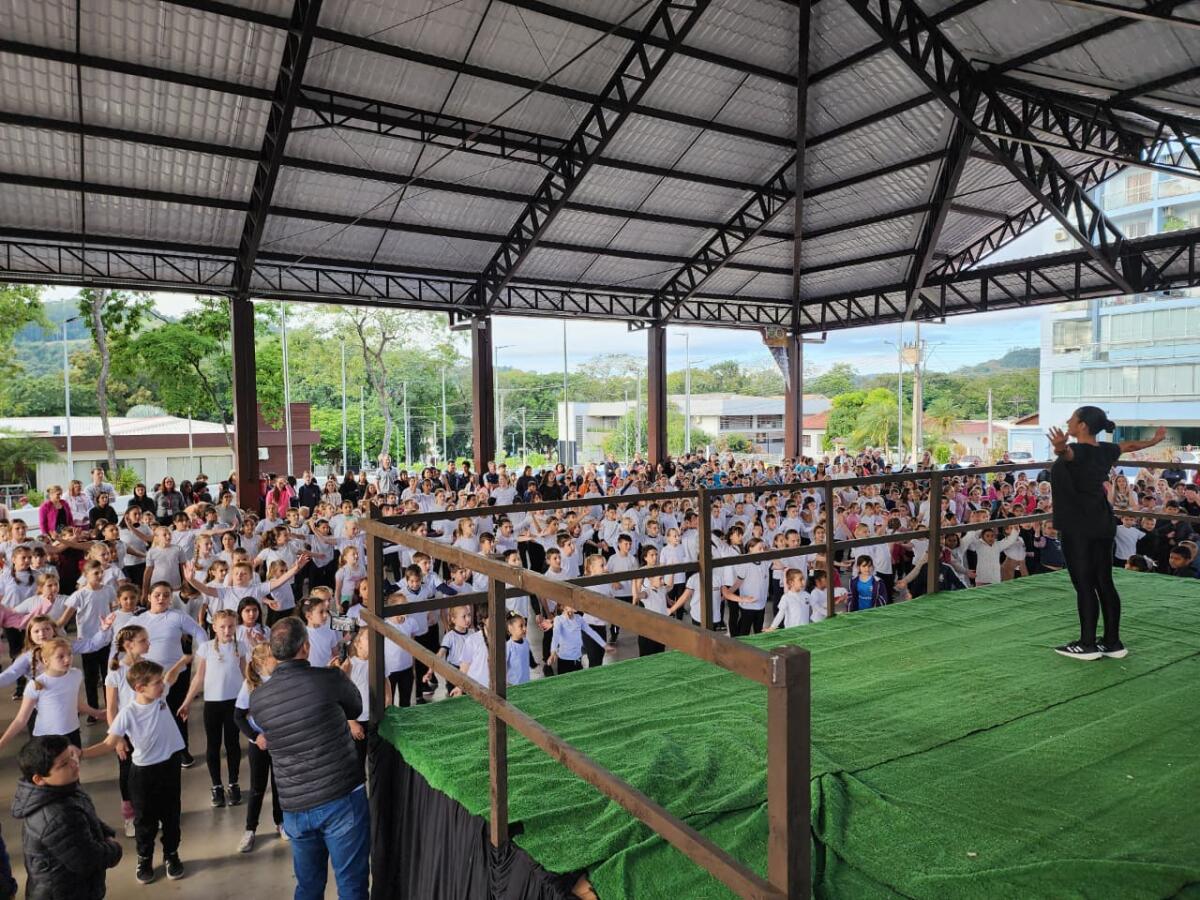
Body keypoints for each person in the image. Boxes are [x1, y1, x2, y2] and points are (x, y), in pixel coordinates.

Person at [249, 617, 368, 900]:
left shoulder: (259, 699)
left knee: (309, 886)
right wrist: (338, 677)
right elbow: (355, 707)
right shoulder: (330, 679)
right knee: (351, 884)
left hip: (295, 805)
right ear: (305, 646)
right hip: (341, 797)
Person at [1047, 408, 1165, 661]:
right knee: (1104, 581)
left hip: (1078, 526)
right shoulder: (1106, 450)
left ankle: (1087, 644)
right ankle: (1112, 642)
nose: (1068, 421)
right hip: (1103, 522)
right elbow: (1130, 444)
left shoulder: (1075, 451)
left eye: (1072, 418)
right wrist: (1154, 441)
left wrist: (1059, 448)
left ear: (1083, 426)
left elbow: (1067, 454)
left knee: (1084, 585)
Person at [83, 658, 190, 884]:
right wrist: (82, 753)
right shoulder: (128, 712)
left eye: (160, 682)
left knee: (171, 814)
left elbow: (170, 678)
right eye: (156, 683)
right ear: (140, 688)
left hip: (169, 765)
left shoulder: (160, 697)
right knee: (145, 819)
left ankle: (171, 853)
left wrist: (181, 662)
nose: (162, 685)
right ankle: (145, 857)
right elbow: (109, 743)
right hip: (143, 773)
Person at [11, 735, 122, 900]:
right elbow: (87, 861)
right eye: (63, 764)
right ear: (39, 779)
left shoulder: (62, 787)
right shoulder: (57, 816)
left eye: (71, 755)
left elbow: (84, 813)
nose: (74, 763)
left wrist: (103, 831)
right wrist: (114, 849)